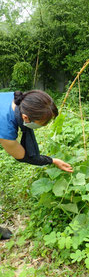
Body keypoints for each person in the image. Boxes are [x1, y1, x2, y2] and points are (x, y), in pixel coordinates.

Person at [0, 90, 73, 239]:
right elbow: (24, 156)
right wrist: (52, 160)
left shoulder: (18, 100)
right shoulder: (5, 128)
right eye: (41, 124)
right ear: (26, 118)